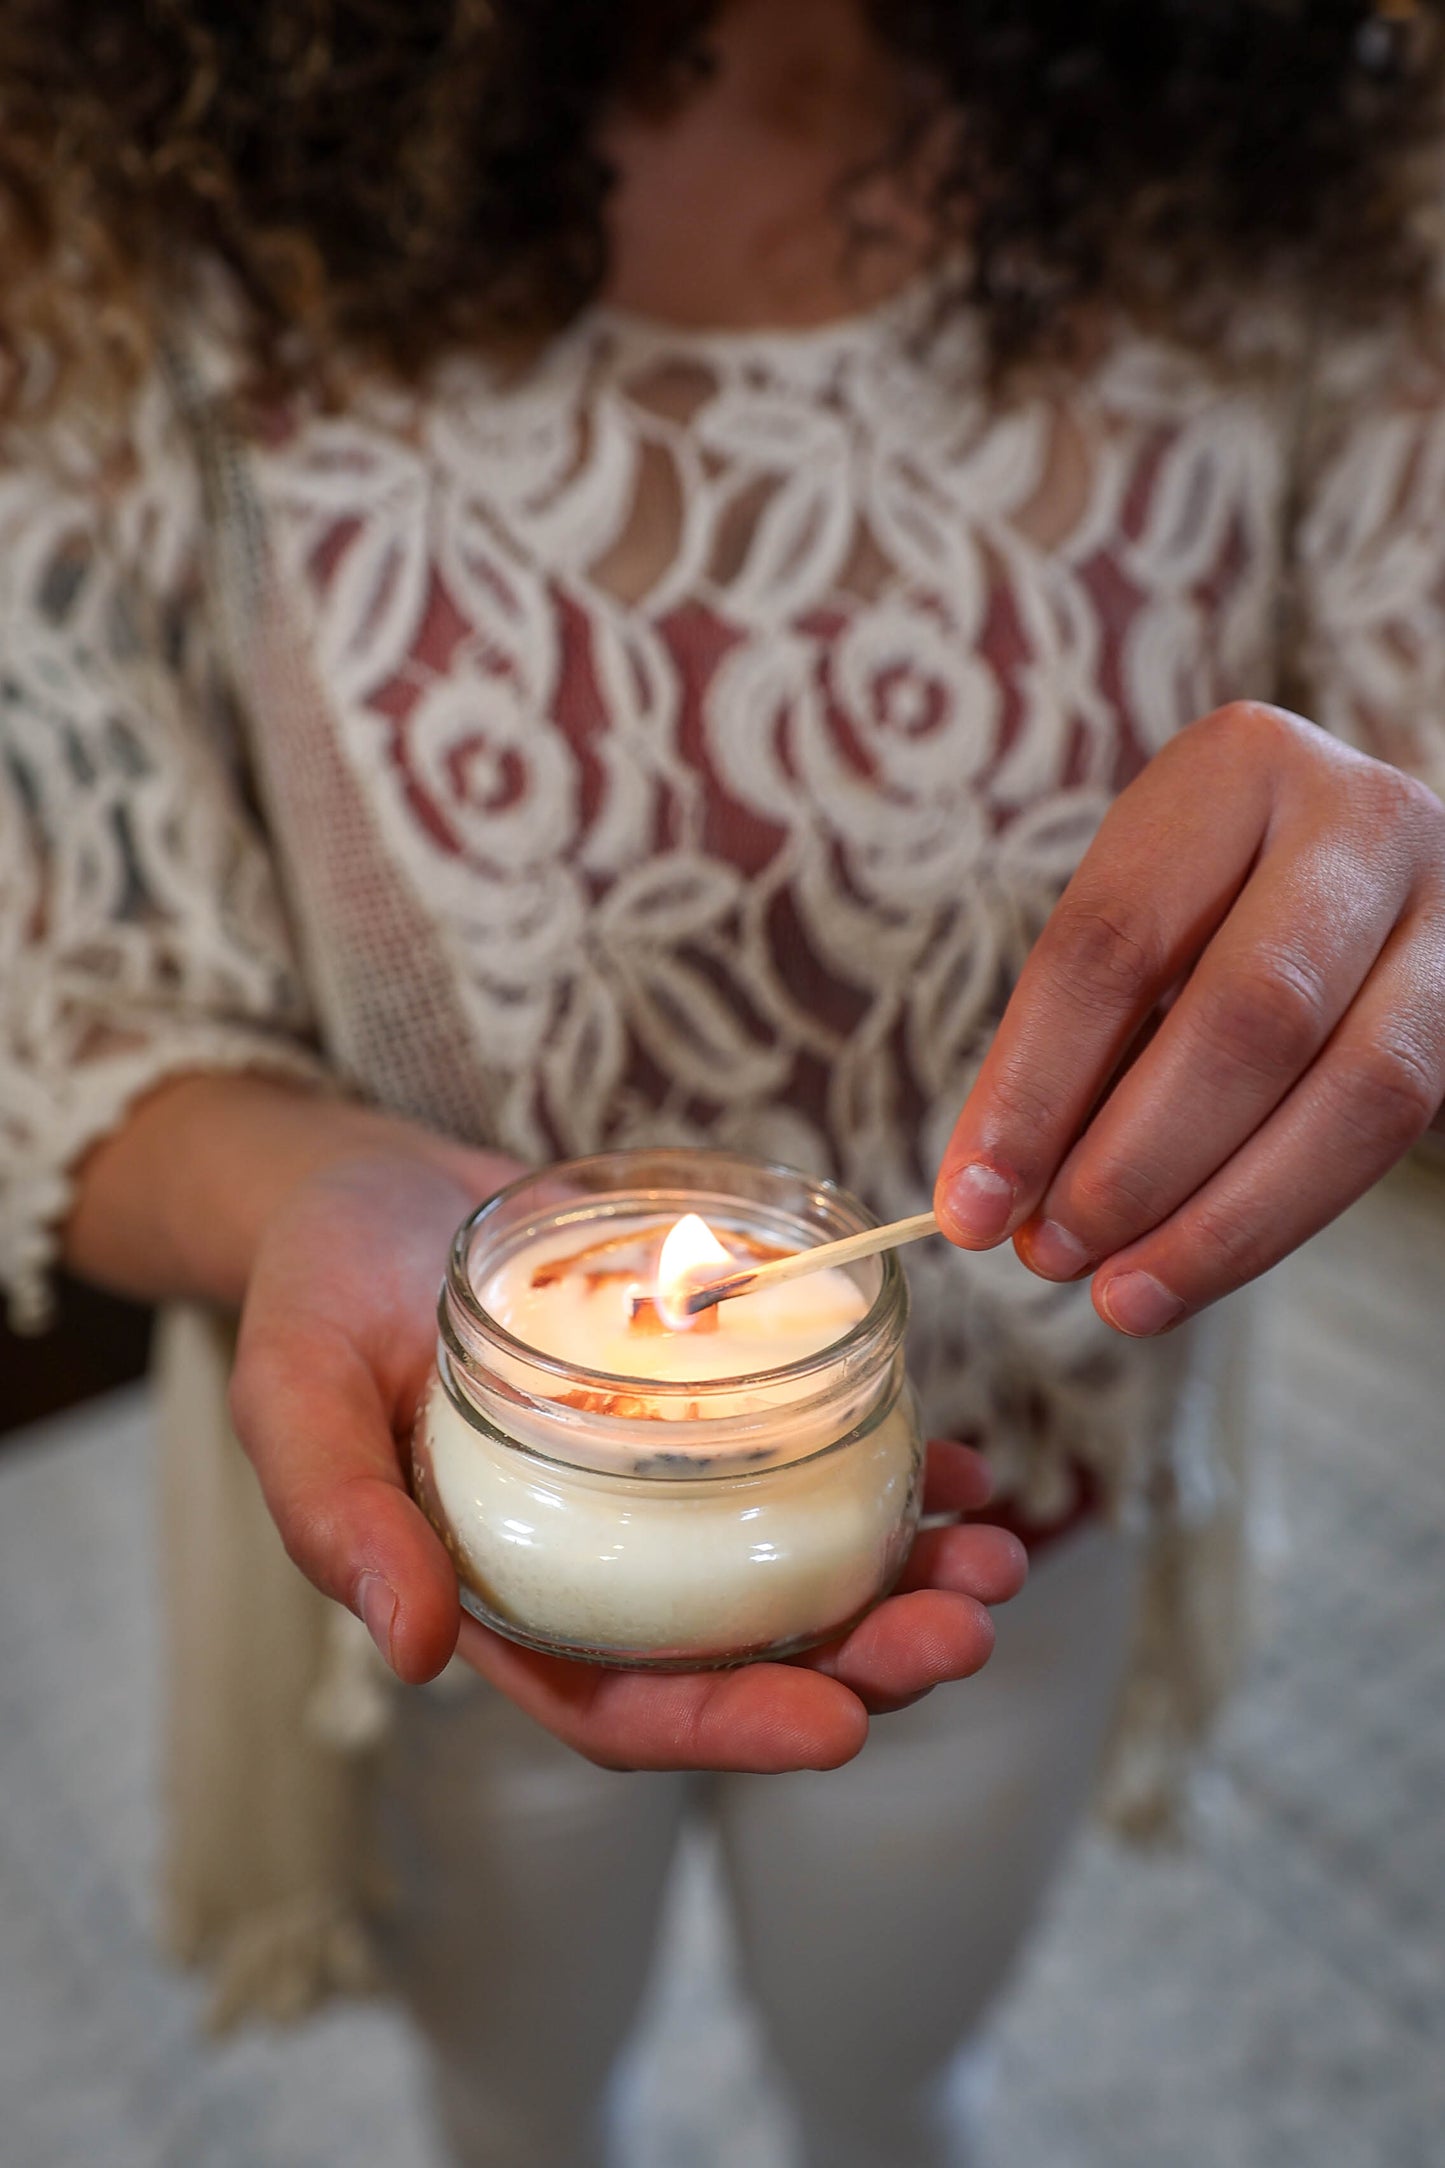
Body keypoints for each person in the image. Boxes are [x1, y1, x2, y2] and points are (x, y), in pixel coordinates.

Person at [4, 2, 1445, 2162]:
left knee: (889, 2071)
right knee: (510, 2079)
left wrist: (1398, 873)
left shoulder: (1322, 129)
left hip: (1016, 1477)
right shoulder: (128, 175)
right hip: (434, 1457)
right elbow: (56, 958)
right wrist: (301, 1183)